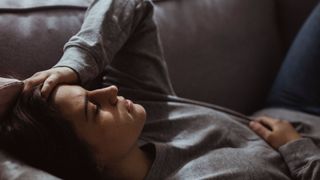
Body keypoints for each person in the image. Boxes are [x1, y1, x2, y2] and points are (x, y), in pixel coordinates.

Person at [1, 0, 320, 179]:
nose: (108, 92)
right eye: (93, 110)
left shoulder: (144, 111)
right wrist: (296, 148)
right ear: (92, 163)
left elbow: (130, 3)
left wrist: (74, 64)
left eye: (88, 89)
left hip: (288, 103)